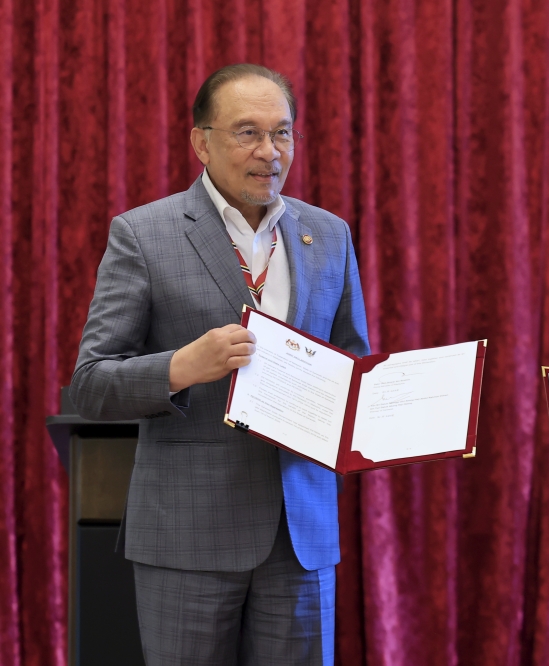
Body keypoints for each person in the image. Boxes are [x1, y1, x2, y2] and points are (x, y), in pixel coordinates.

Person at [70, 63, 368, 665]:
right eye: (247, 132)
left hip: (301, 537)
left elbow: (352, 366)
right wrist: (180, 366)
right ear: (201, 142)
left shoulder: (328, 234)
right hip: (187, 535)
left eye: (282, 133)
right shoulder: (144, 234)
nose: (270, 152)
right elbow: (91, 384)